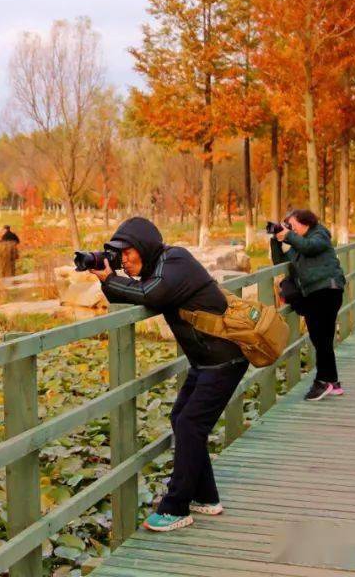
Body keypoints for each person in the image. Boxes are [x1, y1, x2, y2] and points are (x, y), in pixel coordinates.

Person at [88, 217, 247, 532]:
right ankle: (207, 497)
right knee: (182, 420)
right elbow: (131, 294)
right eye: (119, 254)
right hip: (206, 360)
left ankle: (176, 507)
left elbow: (151, 294)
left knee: (190, 424)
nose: (124, 260)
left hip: (224, 358)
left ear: (144, 247)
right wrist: (108, 277)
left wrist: (110, 278)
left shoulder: (176, 261)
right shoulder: (155, 268)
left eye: (127, 252)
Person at [270, 209, 347, 401]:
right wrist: (276, 241)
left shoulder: (319, 234)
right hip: (315, 294)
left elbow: (310, 247)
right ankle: (333, 381)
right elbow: (280, 262)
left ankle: (322, 381)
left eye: (293, 224)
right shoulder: (298, 246)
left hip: (327, 291)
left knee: (321, 338)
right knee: (323, 339)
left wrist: (288, 236)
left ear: (305, 223)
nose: (291, 228)